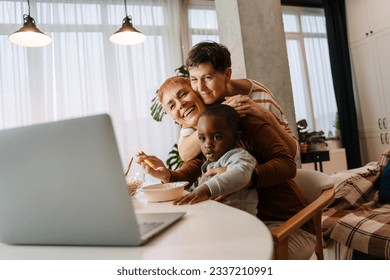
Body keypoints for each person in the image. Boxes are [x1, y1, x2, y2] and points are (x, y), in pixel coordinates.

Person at [136, 76, 316, 259]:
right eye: (172, 106)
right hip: (249, 226)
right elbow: (186, 174)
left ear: (198, 93)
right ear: (176, 119)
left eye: (183, 94)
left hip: (288, 227)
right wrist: (166, 175)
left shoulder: (244, 122)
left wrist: (244, 178)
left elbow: (287, 165)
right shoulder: (204, 143)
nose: (180, 105)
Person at [178, 41, 299, 163]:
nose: (200, 87)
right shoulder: (200, 101)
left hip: (266, 174)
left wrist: (265, 115)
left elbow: (293, 151)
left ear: (227, 74)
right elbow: (185, 154)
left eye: (207, 78)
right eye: (194, 79)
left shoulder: (259, 94)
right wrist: (220, 114)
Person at [173, 104, 258, 216]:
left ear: (236, 138)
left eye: (217, 137)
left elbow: (241, 174)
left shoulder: (238, 156)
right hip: (215, 220)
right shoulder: (208, 163)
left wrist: (206, 190)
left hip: (240, 223)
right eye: (202, 138)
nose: (207, 144)